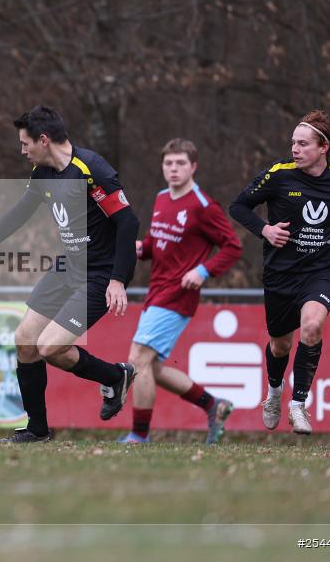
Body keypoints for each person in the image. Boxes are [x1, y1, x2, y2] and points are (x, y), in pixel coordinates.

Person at [0, 105, 139, 442]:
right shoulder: (43, 174)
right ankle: (37, 430)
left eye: (25, 143)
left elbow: (128, 222)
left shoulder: (92, 170)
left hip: (98, 274)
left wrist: (118, 280)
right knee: (25, 341)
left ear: (44, 140)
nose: (22, 150)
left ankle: (114, 377)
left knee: (50, 348)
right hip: (68, 266)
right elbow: (19, 213)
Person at [230, 110, 330, 435]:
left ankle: (298, 405)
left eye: (303, 144)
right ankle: (275, 392)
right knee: (280, 345)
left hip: (320, 270)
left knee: (312, 325)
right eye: (293, 142)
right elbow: (238, 206)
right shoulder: (279, 176)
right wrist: (264, 230)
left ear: (324, 147)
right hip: (281, 274)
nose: (294, 149)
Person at [117, 138, 242, 445]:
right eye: (168, 164)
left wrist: (203, 271)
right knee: (153, 367)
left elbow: (233, 246)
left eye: (180, 164)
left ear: (193, 167)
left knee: (138, 359)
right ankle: (213, 406)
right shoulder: (161, 198)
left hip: (178, 295)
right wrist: (141, 249)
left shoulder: (202, 206)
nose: (173, 169)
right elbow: (155, 242)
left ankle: (139, 435)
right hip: (156, 291)